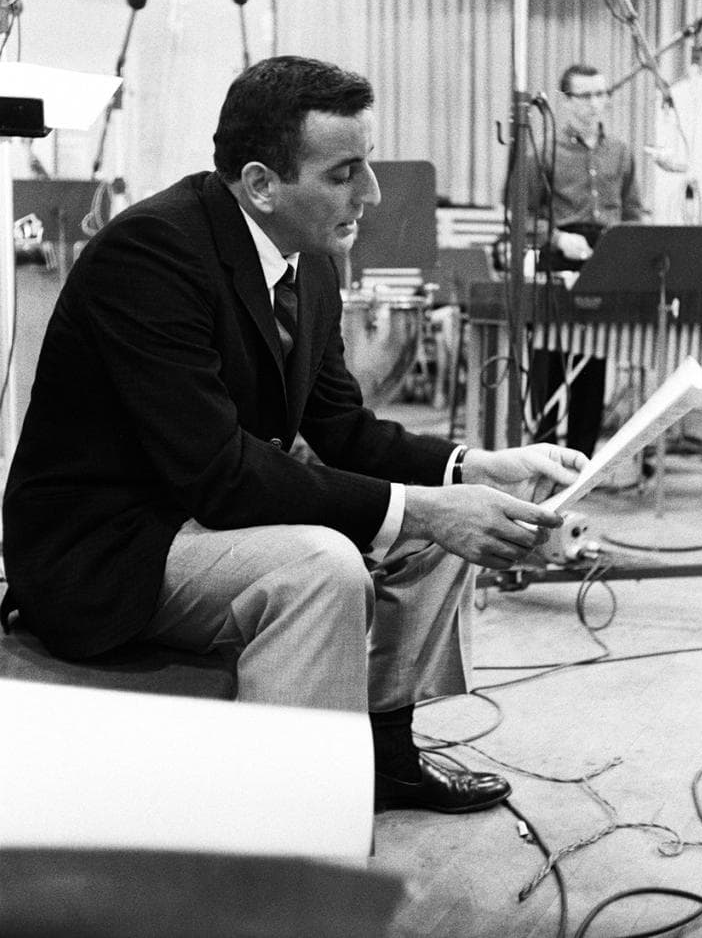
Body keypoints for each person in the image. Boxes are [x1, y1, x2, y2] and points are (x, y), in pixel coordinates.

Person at [2, 55, 587, 815]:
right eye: (345, 173)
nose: (371, 192)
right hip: (108, 545)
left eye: (366, 164)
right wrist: (422, 507)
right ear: (261, 184)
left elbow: (343, 428)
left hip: (198, 514)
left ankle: (385, 753)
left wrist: (475, 466)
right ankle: (286, 825)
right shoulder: (150, 253)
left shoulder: (309, 264)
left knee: (442, 525)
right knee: (322, 566)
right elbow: (219, 473)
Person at [526, 62, 646, 457]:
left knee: (592, 369)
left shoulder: (621, 152)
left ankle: (581, 463)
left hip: (604, 262)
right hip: (558, 262)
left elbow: (632, 213)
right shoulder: (543, 151)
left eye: (601, 94)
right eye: (586, 96)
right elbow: (521, 217)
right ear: (566, 100)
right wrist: (559, 238)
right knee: (548, 368)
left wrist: (627, 249)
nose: (596, 103)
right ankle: (542, 458)